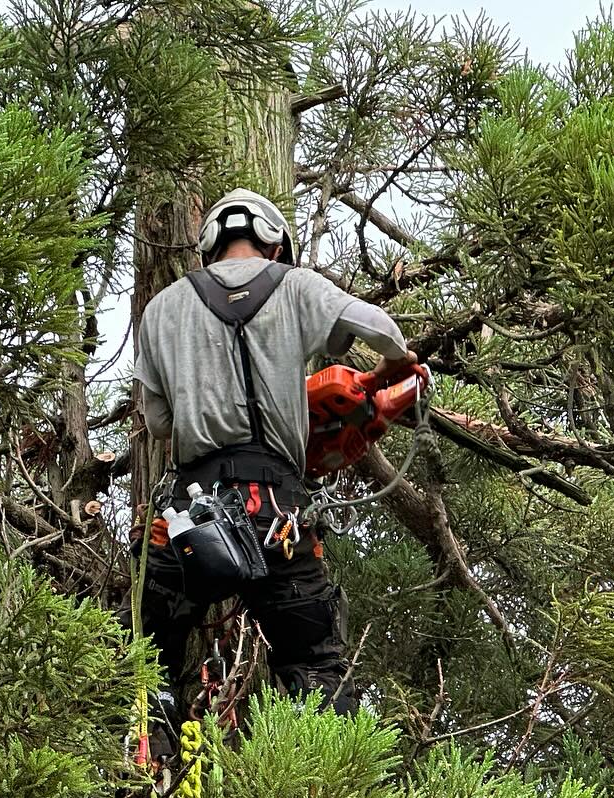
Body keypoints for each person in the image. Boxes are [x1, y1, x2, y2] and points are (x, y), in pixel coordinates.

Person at [132, 188, 420, 722]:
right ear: (272, 241)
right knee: (314, 666)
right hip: (275, 514)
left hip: (190, 518)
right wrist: (393, 369)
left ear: (210, 243)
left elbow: (158, 423)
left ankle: (157, 761)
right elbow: (382, 329)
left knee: (150, 660)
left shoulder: (160, 311)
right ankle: (324, 783)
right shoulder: (293, 284)